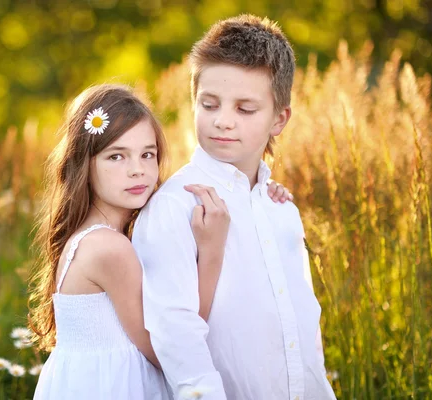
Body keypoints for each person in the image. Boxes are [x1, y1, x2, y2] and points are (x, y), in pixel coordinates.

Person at [28, 84, 292, 400]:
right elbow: (168, 347)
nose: (137, 170)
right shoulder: (109, 249)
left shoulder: (94, 236)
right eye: (116, 156)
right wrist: (211, 251)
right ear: (84, 163)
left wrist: (261, 192)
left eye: (147, 154)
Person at [132, 14, 337, 400]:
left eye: (245, 110)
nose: (223, 121)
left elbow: (305, 324)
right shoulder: (175, 207)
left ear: (279, 119)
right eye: (209, 104)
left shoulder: (282, 209)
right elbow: (175, 333)